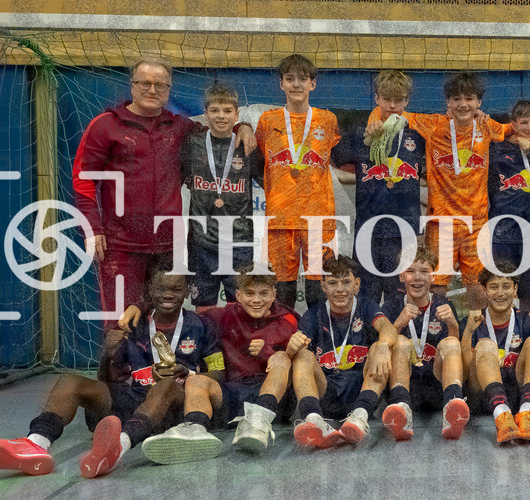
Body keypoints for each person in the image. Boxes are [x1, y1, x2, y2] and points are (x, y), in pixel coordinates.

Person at [0, 270, 220, 477]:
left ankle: (118, 446)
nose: (168, 294)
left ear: (187, 292)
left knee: (165, 386)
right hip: (130, 397)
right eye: (161, 288)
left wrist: (187, 373)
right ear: (149, 293)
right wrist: (109, 353)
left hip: (169, 404)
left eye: (176, 289)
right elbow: (107, 380)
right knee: (69, 381)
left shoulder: (202, 325)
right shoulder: (131, 323)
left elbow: (219, 374)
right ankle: (36, 443)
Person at [73, 58, 254, 324]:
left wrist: (243, 127)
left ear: (169, 89)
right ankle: (122, 367)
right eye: (144, 83)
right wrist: (92, 229)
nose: (152, 90)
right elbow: (83, 179)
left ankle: (157, 367)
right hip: (121, 244)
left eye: (160, 84)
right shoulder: (106, 125)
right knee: (121, 321)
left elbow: (219, 130)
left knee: (165, 321)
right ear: (132, 85)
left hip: (168, 245)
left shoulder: (181, 128)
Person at [365, 71, 530, 308]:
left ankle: (480, 337)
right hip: (441, 223)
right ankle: (439, 336)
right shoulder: (433, 125)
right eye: (456, 99)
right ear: (448, 102)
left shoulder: (486, 126)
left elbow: (512, 129)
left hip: (475, 223)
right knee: (437, 286)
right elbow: (394, 111)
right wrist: (374, 118)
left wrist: (524, 139)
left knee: (477, 286)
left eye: (469, 99)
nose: (463, 104)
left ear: (479, 103)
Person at [117, 269, 299, 463]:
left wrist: (269, 351)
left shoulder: (289, 319)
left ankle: (259, 419)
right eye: (249, 293)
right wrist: (139, 306)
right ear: (237, 295)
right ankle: (195, 428)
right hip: (234, 392)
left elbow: (304, 361)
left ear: (273, 293)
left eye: (264, 293)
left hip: (275, 401)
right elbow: (173, 307)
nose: (256, 300)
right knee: (196, 380)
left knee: (282, 358)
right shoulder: (223, 316)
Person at [332, 70, 426, 304]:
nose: (392, 105)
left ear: (407, 101)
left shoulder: (419, 136)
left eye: (399, 99)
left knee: (401, 298)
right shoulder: (360, 134)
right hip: (368, 231)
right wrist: (367, 129)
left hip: (405, 232)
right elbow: (333, 156)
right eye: (386, 99)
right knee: (366, 297)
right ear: (377, 99)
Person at [255, 54, 341, 309]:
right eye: (289, 79)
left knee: (319, 287)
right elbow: (259, 161)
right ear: (281, 84)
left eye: (302, 79)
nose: (296, 85)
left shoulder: (328, 120)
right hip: (281, 218)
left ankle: (318, 344)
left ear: (312, 84)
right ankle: (284, 340)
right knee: (282, 290)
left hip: (318, 219)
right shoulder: (268, 121)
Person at [290, 255, 398, 448]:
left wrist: (382, 346)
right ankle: (313, 419)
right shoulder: (314, 314)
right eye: (332, 283)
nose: (340, 289)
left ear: (356, 285)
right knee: (302, 355)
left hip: (361, 389)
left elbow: (388, 328)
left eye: (346, 282)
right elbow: (296, 361)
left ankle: (359, 417)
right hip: (326, 390)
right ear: (323, 286)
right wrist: (292, 348)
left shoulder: (366, 306)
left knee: (380, 347)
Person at [462, 264, 530, 444]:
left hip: (518, 392)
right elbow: (464, 373)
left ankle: (527, 412)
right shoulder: (473, 321)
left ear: (515, 290)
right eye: (493, 287)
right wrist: (468, 333)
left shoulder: (526, 320)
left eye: (506, 286)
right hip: (483, 396)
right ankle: (502, 414)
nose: (500, 293)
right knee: (485, 345)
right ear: (484, 290)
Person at [181, 82, 257, 311]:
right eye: (214, 110)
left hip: (239, 241)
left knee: (241, 308)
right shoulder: (192, 144)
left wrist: (246, 127)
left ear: (237, 114)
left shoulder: (248, 145)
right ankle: (207, 348)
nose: (221, 116)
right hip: (201, 242)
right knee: (204, 308)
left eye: (227, 111)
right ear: (205, 114)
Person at [381, 247, 468, 441]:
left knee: (452, 342)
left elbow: (454, 348)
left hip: (437, 387)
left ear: (433, 277)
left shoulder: (444, 304)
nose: (418, 278)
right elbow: (381, 351)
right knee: (400, 342)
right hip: (405, 386)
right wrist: (398, 324)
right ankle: (401, 407)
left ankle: (452, 405)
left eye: (424, 271)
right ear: (401, 276)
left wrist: (453, 325)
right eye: (410, 271)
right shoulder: (390, 306)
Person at [487, 99, 530, 307]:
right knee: (501, 291)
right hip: (504, 233)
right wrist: (514, 139)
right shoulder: (496, 148)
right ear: (513, 125)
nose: (529, 128)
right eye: (523, 123)